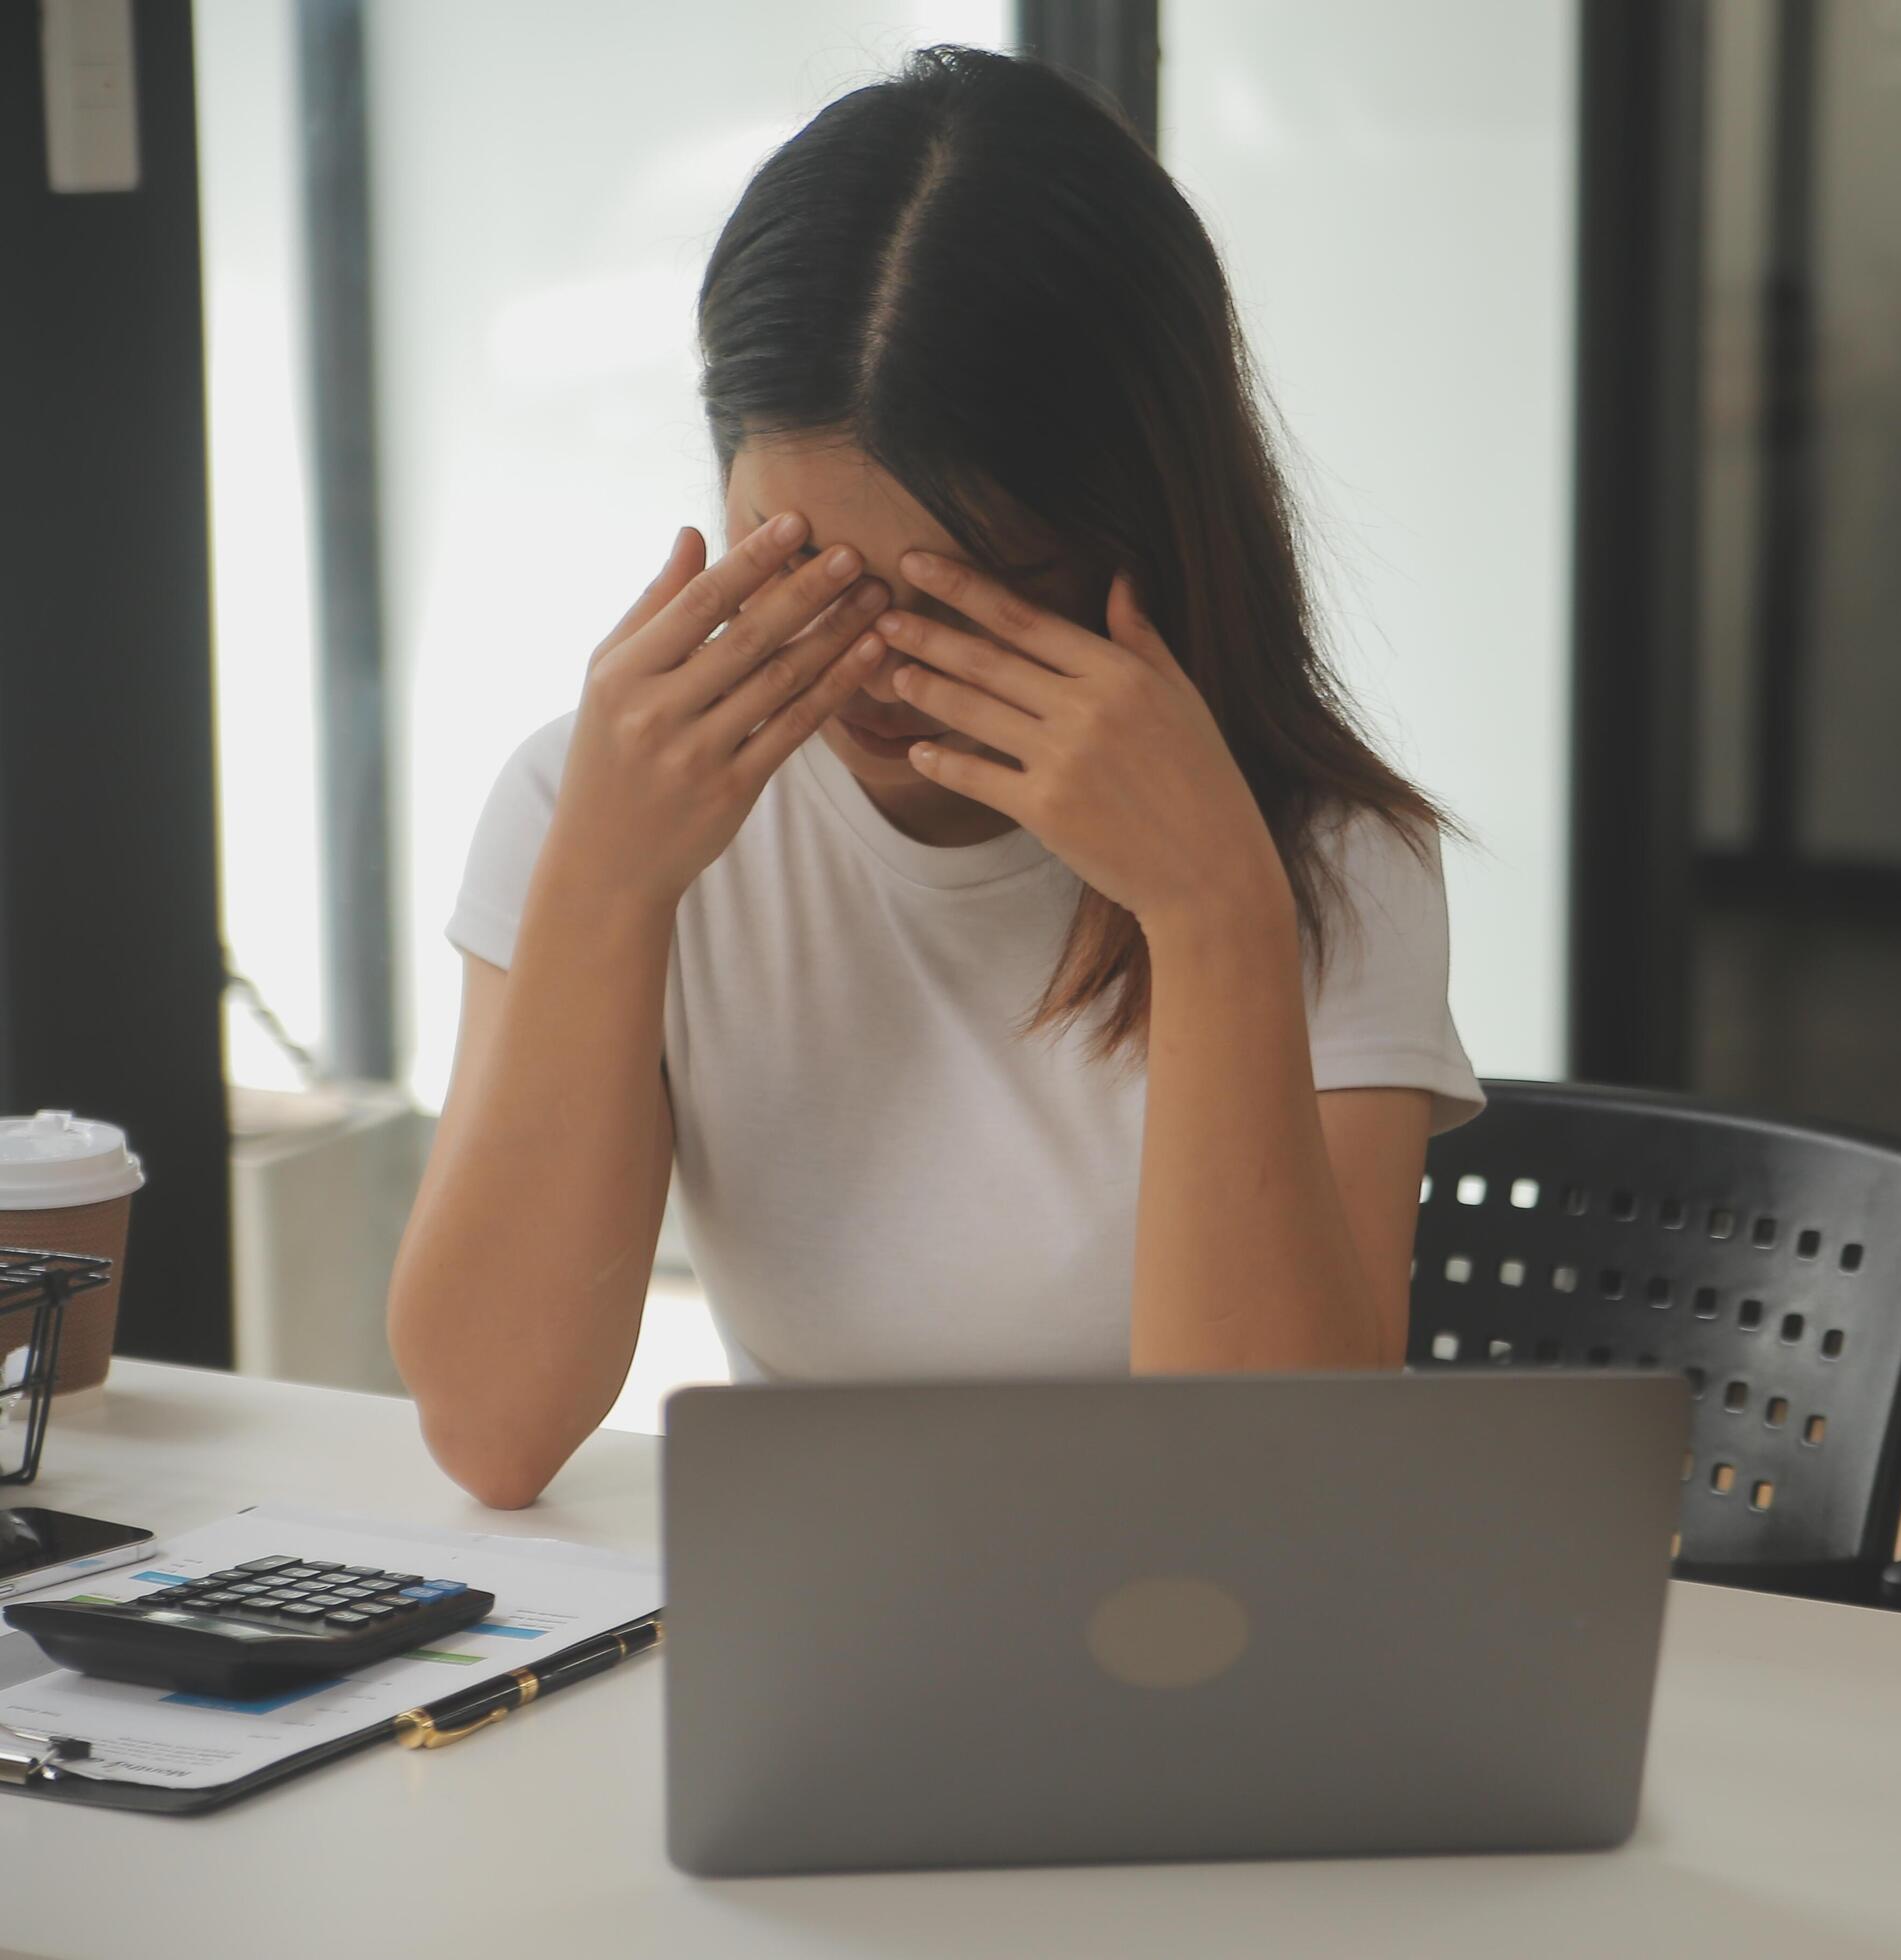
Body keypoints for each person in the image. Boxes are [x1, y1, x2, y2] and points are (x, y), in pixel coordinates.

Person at [387, 46, 1481, 1509]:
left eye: (973, 594)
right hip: (817, 1623)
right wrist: (603, 885)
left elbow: (1277, 1500)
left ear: (1141, 530)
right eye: (809, 577)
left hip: (1192, 1653)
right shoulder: (610, 805)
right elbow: (492, 1429)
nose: (878, 672)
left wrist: (1215, 916)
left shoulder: (1324, 862)